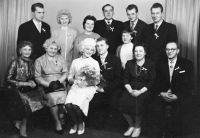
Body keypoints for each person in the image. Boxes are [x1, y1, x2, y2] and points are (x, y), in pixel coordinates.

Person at [152, 42, 194, 137]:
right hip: (163, 94)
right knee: (155, 109)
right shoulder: (159, 63)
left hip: (179, 95)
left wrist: (178, 96)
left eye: (172, 49)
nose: (169, 51)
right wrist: (161, 93)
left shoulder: (187, 63)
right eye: (167, 49)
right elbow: (155, 81)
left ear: (178, 51)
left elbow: (190, 84)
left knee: (180, 114)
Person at [4, 41, 44, 138]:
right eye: (24, 49)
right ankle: (22, 125)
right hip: (13, 89)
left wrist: (32, 82)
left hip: (25, 89)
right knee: (25, 102)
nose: (27, 52)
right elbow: (8, 80)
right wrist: (25, 83)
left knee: (39, 98)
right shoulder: (15, 62)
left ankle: (18, 121)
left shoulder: (31, 61)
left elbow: (30, 77)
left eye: (29, 49)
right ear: (20, 51)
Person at [119, 42, 156, 137]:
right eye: (136, 51)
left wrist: (140, 92)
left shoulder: (151, 64)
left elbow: (151, 81)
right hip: (130, 88)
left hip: (144, 90)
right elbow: (125, 79)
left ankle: (137, 127)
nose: (138, 53)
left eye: (140, 51)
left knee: (137, 104)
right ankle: (131, 125)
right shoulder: (129, 63)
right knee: (122, 101)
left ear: (145, 53)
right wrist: (130, 90)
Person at [64, 38, 100, 135]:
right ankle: (75, 122)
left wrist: (85, 83)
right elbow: (70, 76)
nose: (89, 51)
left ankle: (80, 124)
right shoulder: (75, 61)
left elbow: (97, 80)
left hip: (88, 88)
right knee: (68, 105)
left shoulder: (94, 63)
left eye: (92, 50)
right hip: (76, 87)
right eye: (87, 49)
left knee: (76, 105)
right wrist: (75, 81)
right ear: (82, 49)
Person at [34, 38, 68, 135]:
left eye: (55, 48)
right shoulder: (39, 60)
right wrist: (49, 84)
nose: (53, 50)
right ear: (46, 48)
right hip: (45, 85)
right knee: (52, 99)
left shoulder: (61, 58)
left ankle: (61, 117)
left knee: (65, 98)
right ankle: (57, 122)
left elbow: (65, 73)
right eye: (51, 48)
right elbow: (37, 77)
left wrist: (58, 81)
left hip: (59, 84)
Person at [89, 37, 122, 129]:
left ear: (107, 46)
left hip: (113, 87)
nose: (99, 48)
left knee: (113, 102)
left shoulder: (115, 60)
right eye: (97, 46)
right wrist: (97, 88)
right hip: (99, 87)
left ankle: (112, 126)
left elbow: (118, 79)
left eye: (102, 45)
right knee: (95, 102)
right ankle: (98, 124)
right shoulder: (94, 60)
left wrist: (106, 89)